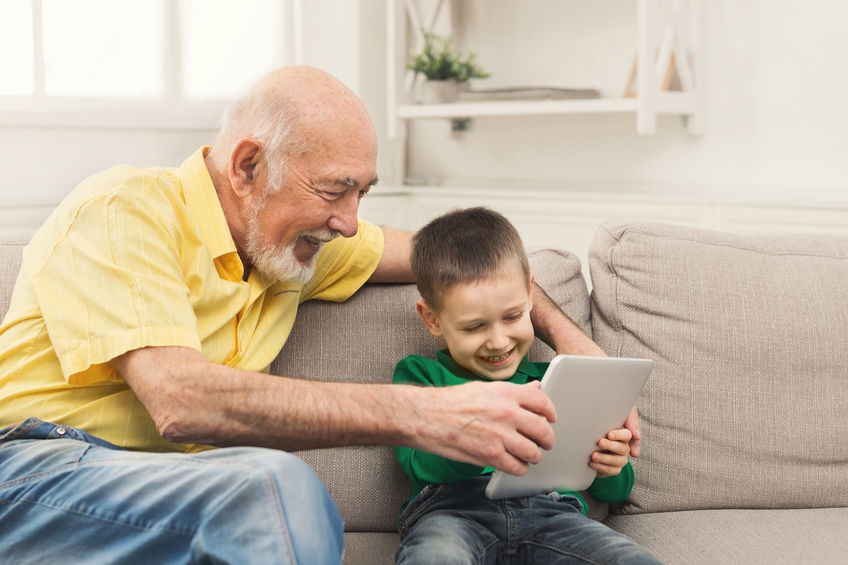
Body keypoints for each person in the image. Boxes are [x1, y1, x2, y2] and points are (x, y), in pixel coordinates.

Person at [0, 66, 637, 564]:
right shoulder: (125, 211)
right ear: (249, 166)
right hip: (32, 471)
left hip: (170, 490)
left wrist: (572, 342)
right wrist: (430, 413)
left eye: (363, 192)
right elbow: (179, 398)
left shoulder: (289, 247)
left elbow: (452, 258)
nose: (350, 221)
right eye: (335, 190)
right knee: (273, 487)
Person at [393, 207, 660, 564]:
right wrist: (476, 442)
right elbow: (420, 464)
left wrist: (609, 466)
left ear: (530, 295)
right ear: (433, 319)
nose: (498, 341)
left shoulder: (556, 381)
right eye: (474, 327)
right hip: (453, 516)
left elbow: (617, 490)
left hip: (551, 515)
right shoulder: (420, 376)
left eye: (513, 317)